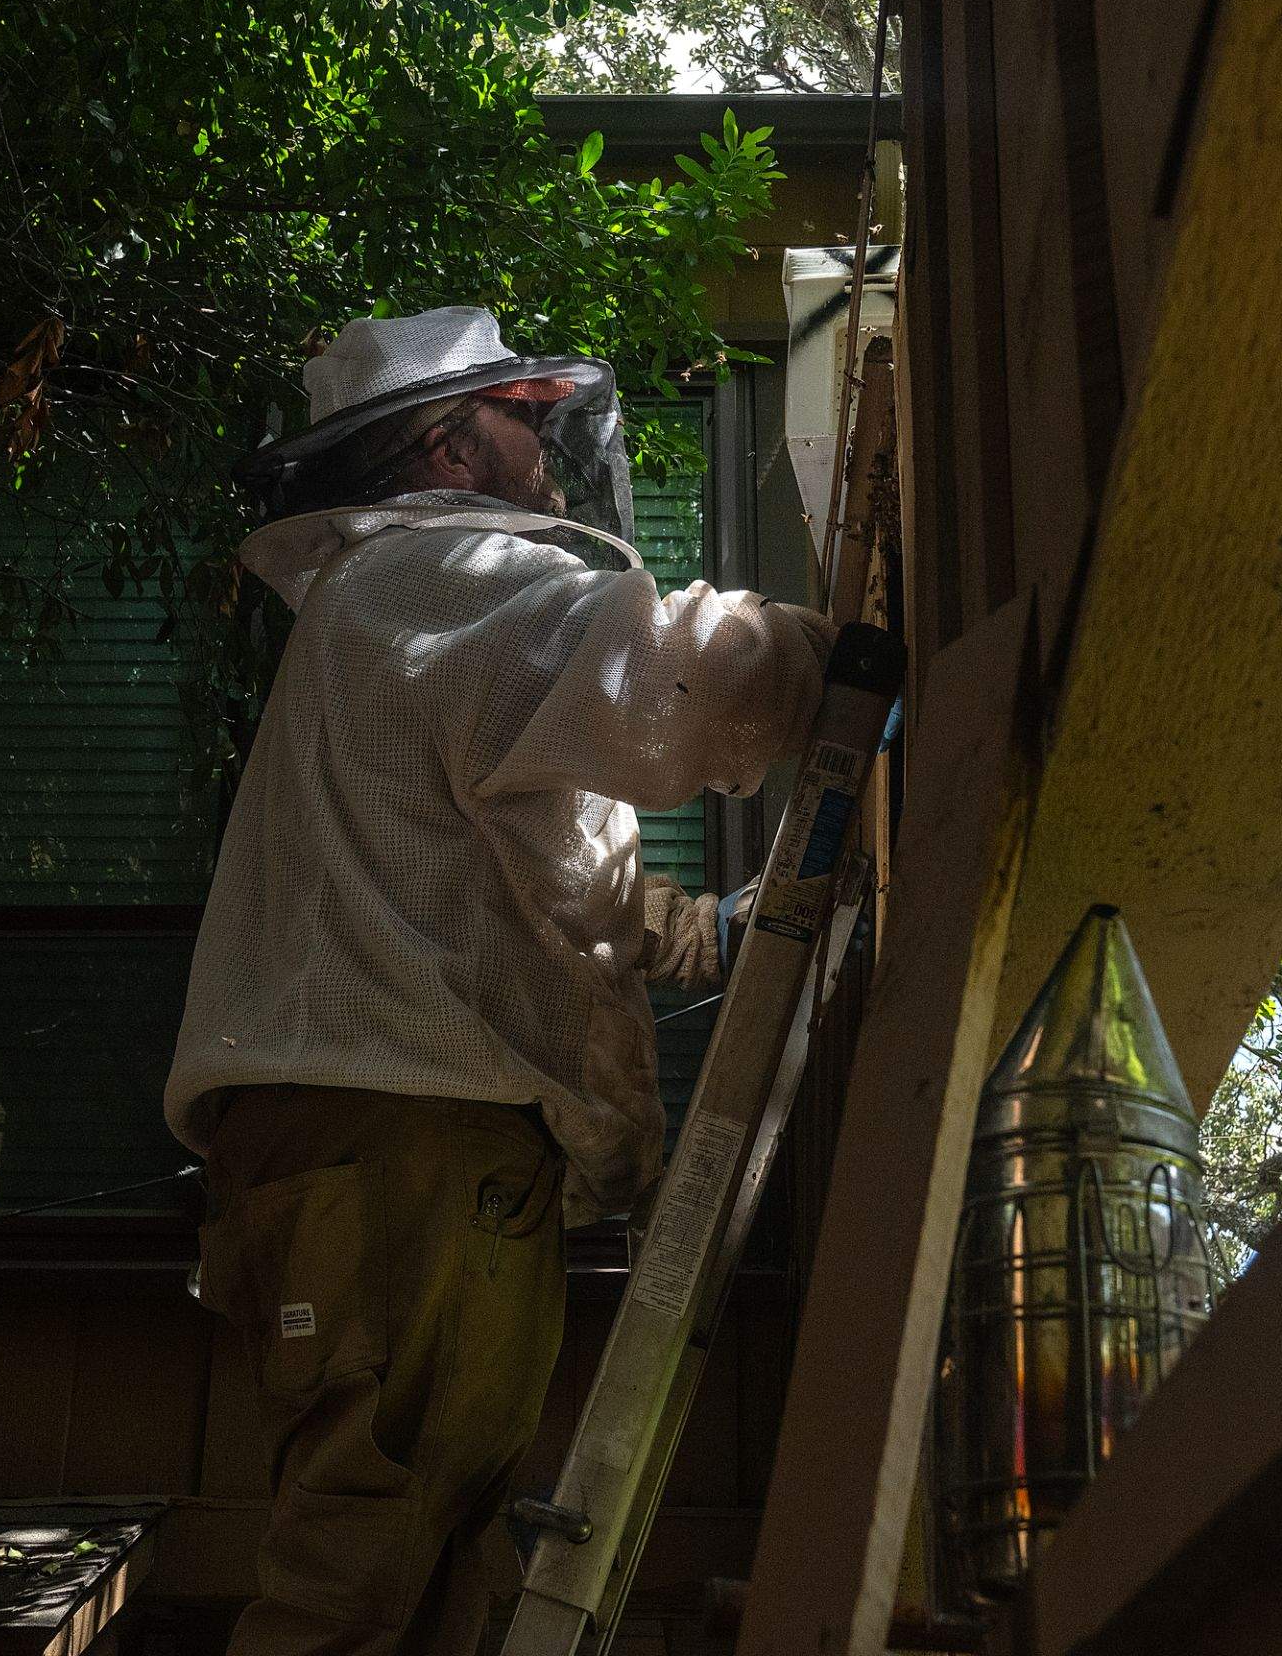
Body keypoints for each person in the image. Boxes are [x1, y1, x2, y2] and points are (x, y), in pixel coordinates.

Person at [165, 306, 830, 1656]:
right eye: (524, 418)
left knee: (420, 1569)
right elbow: (674, 672)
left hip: (371, 1141)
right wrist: (864, 661)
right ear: (446, 441)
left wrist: (708, 933)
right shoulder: (438, 573)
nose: (548, 446)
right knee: (362, 1575)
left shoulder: (402, 610)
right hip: (405, 1135)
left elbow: (538, 882)